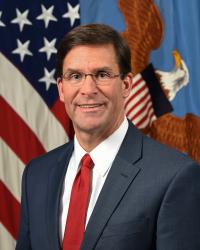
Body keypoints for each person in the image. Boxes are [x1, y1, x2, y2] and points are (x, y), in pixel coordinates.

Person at [16, 24, 200, 250]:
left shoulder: (174, 176)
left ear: (126, 85)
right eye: (75, 76)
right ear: (62, 89)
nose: (88, 89)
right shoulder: (36, 174)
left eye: (102, 74)